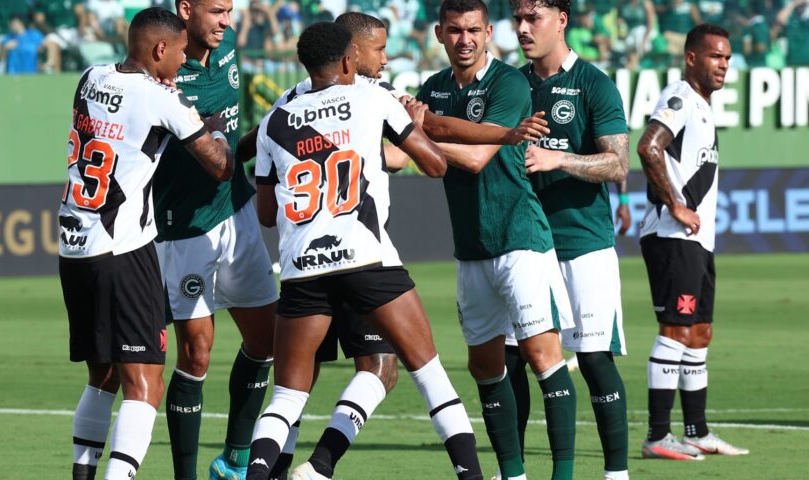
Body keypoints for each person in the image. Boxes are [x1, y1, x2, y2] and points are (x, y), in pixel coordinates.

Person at [238, 11, 550, 479]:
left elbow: (266, 213)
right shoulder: (371, 96)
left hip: (302, 264)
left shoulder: (275, 116)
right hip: (367, 259)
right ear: (349, 57)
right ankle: (470, 475)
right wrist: (419, 126)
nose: (384, 59)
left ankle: (278, 471)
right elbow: (434, 163)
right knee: (429, 375)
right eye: (379, 49)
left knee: (288, 394)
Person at [59, 7, 233, 480]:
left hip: (74, 245)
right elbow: (220, 165)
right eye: (178, 54)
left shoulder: (91, 77)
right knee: (146, 382)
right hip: (123, 250)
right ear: (160, 49)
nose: (182, 63)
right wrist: (211, 123)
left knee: (104, 376)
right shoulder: (162, 99)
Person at [416, 0, 577, 478]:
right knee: (485, 367)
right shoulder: (433, 90)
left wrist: (417, 131)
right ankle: (513, 474)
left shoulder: (508, 82)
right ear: (439, 34)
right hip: (471, 249)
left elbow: (476, 157)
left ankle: (564, 475)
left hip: (521, 238)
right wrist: (408, 136)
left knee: (543, 357)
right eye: (454, 31)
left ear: (488, 32)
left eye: (472, 30)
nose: (464, 40)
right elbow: (415, 160)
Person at [150, 1, 280, 479]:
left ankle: (235, 459)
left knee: (266, 341)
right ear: (186, 10)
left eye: (231, 10)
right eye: (217, 10)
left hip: (236, 208)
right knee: (197, 351)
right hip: (181, 227)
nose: (227, 20)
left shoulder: (226, 55)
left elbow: (231, 139)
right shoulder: (161, 67)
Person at [511, 0, 632, 477]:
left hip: (584, 243)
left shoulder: (593, 84)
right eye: (517, 19)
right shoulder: (512, 84)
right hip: (523, 244)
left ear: (561, 20)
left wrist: (558, 159)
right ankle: (512, 469)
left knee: (596, 357)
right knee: (512, 358)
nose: (522, 28)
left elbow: (619, 165)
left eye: (532, 18)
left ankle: (615, 473)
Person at [637, 23, 749, 460]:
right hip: (673, 236)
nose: (723, 64)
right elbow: (648, 147)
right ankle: (657, 435)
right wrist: (675, 204)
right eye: (715, 56)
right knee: (677, 330)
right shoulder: (680, 97)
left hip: (697, 242)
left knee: (699, 333)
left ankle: (697, 431)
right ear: (691, 57)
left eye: (727, 58)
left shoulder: (702, 106)